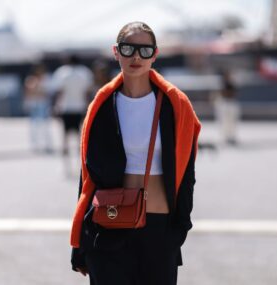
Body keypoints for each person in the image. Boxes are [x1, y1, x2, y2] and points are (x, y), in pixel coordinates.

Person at [70, 22, 201, 285]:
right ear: (116, 52)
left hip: (158, 229)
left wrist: (179, 229)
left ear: (155, 54)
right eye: (128, 49)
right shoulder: (102, 105)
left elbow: (187, 171)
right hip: (109, 223)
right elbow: (88, 176)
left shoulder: (175, 104)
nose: (136, 57)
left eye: (144, 49)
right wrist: (80, 245)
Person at [52, 55, 93, 175]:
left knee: (65, 138)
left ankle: (66, 166)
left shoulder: (62, 72)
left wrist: (56, 106)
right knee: (81, 138)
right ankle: (81, 165)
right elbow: (87, 93)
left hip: (66, 108)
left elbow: (60, 92)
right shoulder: (85, 72)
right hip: (80, 108)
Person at [23, 63, 53, 153]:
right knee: (34, 126)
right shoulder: (31, 79)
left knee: (45, 126)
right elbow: (29, 91)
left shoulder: (46, 79)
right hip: (34, 105)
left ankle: (46, 144)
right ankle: (35, 144)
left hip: (43, 105)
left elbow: (47, 92)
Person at [214, 70, 240, 145]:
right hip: (225, 103)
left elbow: (234, 93)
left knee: (232, 121)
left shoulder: (232, 84)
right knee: (224, 121)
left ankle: (232, 136)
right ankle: (226, 136)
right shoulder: (222, 84)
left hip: (231, 103)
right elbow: (220, 94)